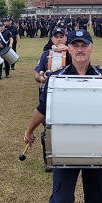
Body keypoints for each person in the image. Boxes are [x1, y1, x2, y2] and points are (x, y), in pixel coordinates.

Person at [24, 29, 102, 203]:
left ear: (91, 48)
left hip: (95, 148)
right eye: (75, 45)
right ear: (69, 49)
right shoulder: (56, 78)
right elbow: (42, 109)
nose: (80, 49)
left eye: (84, 45)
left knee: (96, 201)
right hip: (64, 148)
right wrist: (29, 131)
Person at [34, 27, 70, 172]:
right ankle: (49, 160)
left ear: (66, 38)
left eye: (62, 36)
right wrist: (40, 78)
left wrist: (68, 50)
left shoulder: (72, 54)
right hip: (48, 94)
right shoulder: (45, 55)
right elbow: (37, 74)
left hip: (67, 94)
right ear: (52, 39)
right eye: (56, 37)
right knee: (48, 127)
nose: (59, 39)